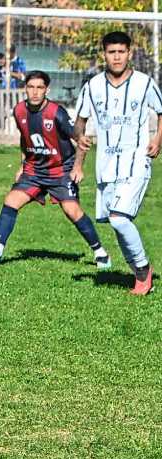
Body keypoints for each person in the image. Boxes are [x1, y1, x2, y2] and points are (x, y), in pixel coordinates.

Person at [0, 71, 110, 268]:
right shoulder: (19, 111)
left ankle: (100, 253)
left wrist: (78, 166)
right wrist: (22, 165)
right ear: (25, 88)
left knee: (72, 210)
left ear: (47, 90)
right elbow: (25, 138)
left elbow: (80, 139)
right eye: (31, 87)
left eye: (40, 88)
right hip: (34, 170)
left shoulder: (56, 113)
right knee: (11, 201)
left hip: (61, 170)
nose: (35, 92)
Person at [74, 31, 162, 295]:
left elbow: (161, 111)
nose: (116, 57)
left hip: (136, 160)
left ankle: (143, 273)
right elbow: (80, 122)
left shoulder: (145, 83)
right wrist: (79, 140)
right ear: (104, 55)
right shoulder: (92, 86)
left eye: (121, 52)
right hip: (106, 165)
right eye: (111, 52)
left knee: (120, 218)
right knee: (116, 222)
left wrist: (158, 139)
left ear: (130, 53)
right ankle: (140, 273)